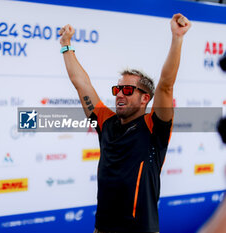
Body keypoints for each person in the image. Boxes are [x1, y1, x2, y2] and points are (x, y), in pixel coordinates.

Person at [59, 13, 191, 232]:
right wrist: (66, 45)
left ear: (145, 98)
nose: (120, 94)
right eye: (118, 89)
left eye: (128, 90)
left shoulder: (154, 127)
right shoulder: (106, 122)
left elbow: (166, 85)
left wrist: (177, 38)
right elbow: (81, 83)